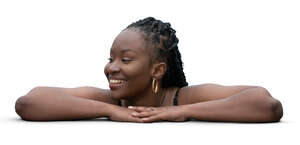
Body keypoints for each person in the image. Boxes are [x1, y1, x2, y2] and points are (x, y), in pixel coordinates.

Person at [15, 17, 283, 123]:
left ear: (158, 70)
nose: (112, 68)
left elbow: (266, 105)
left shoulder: (182, 97)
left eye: (126, 60)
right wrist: (110, 110)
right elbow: (29, 103)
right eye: (111, 59)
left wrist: (177, 112)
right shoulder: (112, 99)